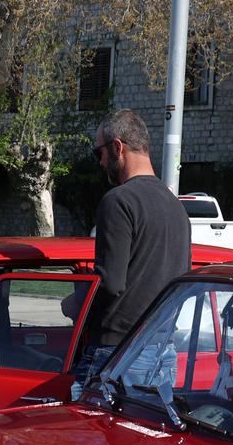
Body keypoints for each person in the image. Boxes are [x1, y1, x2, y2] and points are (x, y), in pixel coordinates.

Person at [72, 108, 191, 396]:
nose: (100, 162)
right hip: (163, 348)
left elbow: (111, 283)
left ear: (117, 147)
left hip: (119, 350)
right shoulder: (176, 207)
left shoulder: (118, 201)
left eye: (98, 152)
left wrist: (76, 303)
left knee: (94, 435)